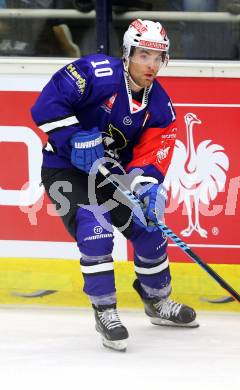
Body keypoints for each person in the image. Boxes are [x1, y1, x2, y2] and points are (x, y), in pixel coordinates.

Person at [31, 19, 198, 352]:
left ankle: (156, 302)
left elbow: (152, 154)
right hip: (66, 172)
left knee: (150, 228)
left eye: (158, 57)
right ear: (127, 53)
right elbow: (46, 105)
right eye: (144, 55)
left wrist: (147, 187)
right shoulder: (95, 72)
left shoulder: (160, 106)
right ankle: (105, 311)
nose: (151, 65)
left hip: (111, 175)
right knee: (95, 227)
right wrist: (73, 138)